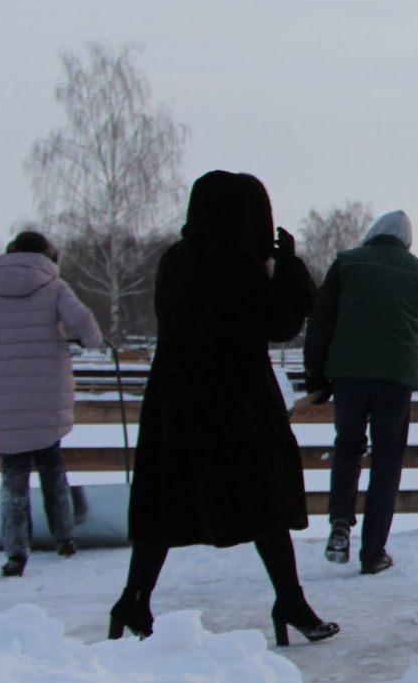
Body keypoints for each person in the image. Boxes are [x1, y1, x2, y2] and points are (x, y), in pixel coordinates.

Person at [109, 171, 339, 646]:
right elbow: (279, 321)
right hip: (234, 398)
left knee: (167, 500)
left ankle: (134, 599)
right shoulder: (231, 264)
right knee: (265, 498)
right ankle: (290, 601)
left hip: (176, 394)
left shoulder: (177, 259)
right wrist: (291, 268)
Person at [0, 231, 104, 577]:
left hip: (5, 397)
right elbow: (84, 322)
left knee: (13, 475)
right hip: (47, 390)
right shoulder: (54, 287)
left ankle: (16, 553)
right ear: (47, 256)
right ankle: (65, 539)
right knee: (52, 465)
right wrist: (90, 341)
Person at [302, 210, 418, 575]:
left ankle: (340, 524)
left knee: (347, 446)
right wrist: (404, 353)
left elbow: (321, 321)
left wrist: (315, 375)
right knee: (387, 460)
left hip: (348, 375)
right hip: (395, 379)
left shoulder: (347, 263)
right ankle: (374, 550)